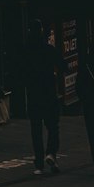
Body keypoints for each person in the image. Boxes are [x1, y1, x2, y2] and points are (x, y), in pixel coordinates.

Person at [23, 20, 62, 175]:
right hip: (49, 94)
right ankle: (51, 153)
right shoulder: (48, 50)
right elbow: (62, 65)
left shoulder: (26, 51)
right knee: (53, 127)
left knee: (36, 130)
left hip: (33, 96)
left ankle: (39, 164)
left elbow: (21, 72)